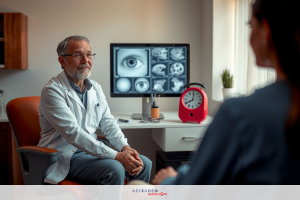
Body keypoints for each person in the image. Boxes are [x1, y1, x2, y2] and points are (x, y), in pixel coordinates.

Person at [152, 0, 300, 185]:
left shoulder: (239, 113)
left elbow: (193, 191)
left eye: (250, 26)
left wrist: (169, 181)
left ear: (266, 33)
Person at [38, 35, 152, 185]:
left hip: (91, 152)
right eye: (78, 55)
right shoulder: (52, 91)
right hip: (65, 155)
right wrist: (117, 156)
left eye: (89, 54)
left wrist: (126, 149)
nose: (86, 60)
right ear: (62, 61)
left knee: (144, 164)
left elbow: (109, 124)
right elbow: (73, 134)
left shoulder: (95, 88)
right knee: (115, 168)